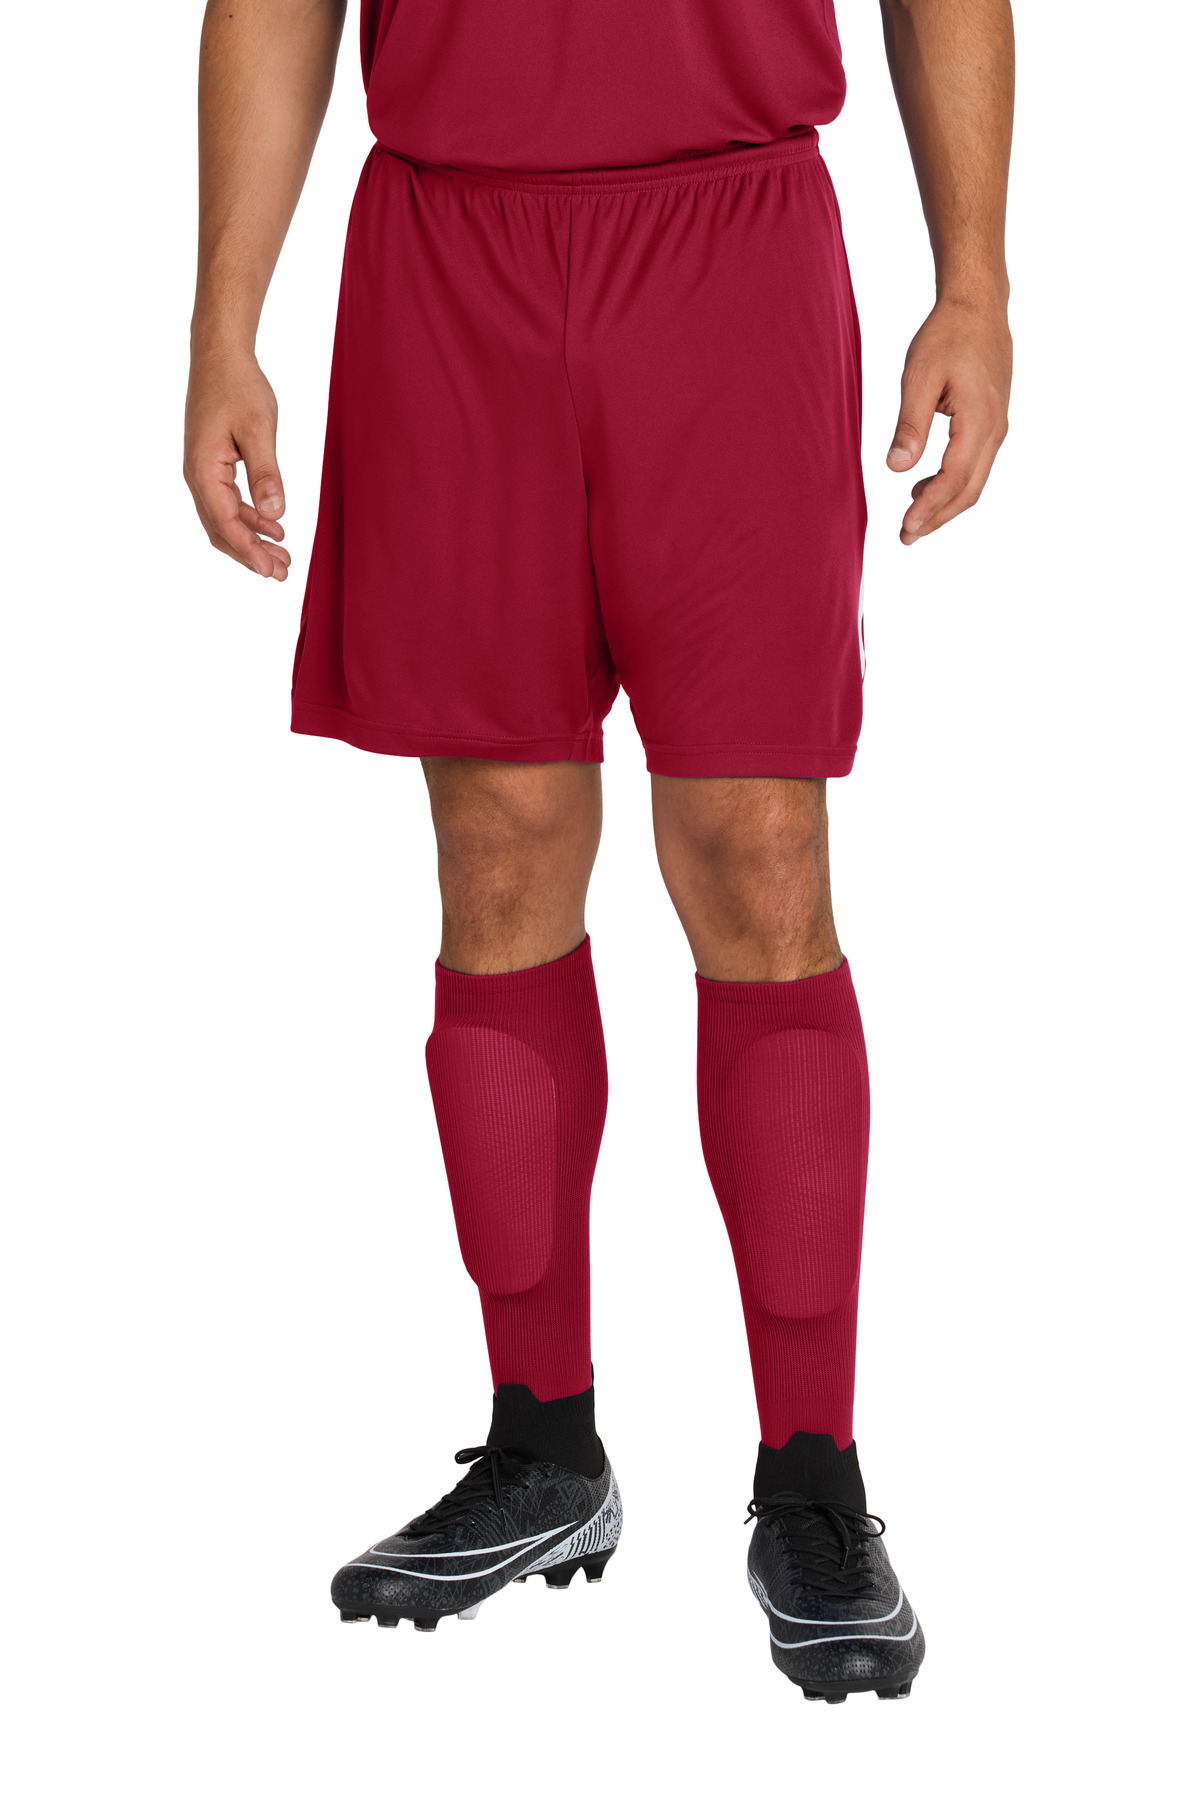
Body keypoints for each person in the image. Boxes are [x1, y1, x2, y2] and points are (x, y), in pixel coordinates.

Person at [184, 0, 1012, 1700]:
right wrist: (223, 317)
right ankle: (543, 1445)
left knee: (758, 855)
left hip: (733, 236)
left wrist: (977, 282)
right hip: (447, 250)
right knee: (497, 853)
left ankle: (813, 1482)